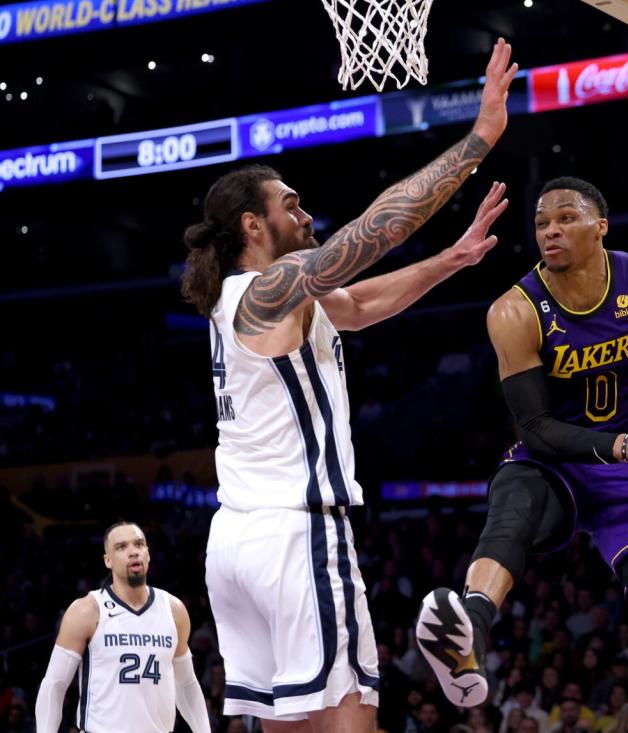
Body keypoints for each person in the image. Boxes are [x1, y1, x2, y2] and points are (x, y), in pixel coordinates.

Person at [179, 40, 518, 731]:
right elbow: (376, 229)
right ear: (253, 225)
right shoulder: (267, 291)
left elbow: (359, 305)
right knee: (350, 715)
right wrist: (480, 138)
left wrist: (452, 260)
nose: (307, 216)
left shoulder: (250, 299)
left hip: (239, 542)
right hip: (295, 534)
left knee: (288, 721)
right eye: (291, 205)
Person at [416, 177, 628, 732]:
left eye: (566, 218)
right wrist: (625, 444)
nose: (550, 229)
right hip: (554, 463)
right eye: (541, 222)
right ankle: (469, 631)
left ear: (600, 226)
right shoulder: (514, 310)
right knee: (513, 507)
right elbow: (537, 427)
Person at [34, 522, 210, 733]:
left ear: (148, 554)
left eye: (139, 544)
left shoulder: (173, 610)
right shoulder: (87, 610)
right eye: (121, 547)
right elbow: (54, 684)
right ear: (108, 560)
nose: (133, 552)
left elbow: (186, 684)